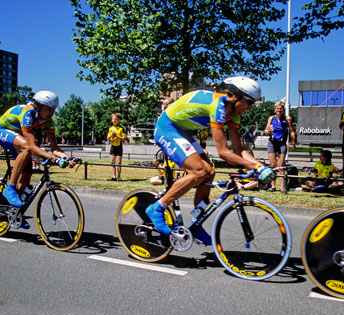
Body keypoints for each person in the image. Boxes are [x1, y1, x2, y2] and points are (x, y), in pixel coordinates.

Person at [145, 76, 275, 245]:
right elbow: (223, 152)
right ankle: (157, 208)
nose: (251, 107)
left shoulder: (233, 113)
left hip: (182, 130)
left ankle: (196, 224)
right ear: (235, 96)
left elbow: (239, 149)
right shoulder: (218, 106)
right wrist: (257, 167)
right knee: (199, 170)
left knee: (209, 172)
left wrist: (260, 166)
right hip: (167, 128)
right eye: (249, 102)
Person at [0, 91, 75, 211]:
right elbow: (31, 146)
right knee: (26, 147)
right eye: (48, 109)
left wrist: (68, 157)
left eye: (54, 109)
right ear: (38, 107)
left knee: (27, 173)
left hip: (18, 136)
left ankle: (14, 212)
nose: (51, 113)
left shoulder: (49, 121)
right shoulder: (27, 114)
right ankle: (10, 188)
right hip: (1, 130)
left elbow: (55, 148)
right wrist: (53, 158)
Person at [264, 101, 295, 192]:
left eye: (281, 108)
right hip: (272, 143)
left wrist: (293, 140)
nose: (279, 110)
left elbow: (292, 131)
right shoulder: (271, 118)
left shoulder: (287, 118)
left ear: (283, 109)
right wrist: (268, 131)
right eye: (277, 108)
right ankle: (273, 186)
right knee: (273, 165)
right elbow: (266, 131)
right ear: (275, 109)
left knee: (281, 165)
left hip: (282, 144)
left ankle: (282, 186)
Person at [107, 113, 125, 181]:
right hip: (113, 146)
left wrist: (117, 136)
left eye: (116, 119)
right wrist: (111, 135)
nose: (114, 120)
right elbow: (108, 138)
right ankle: (113, 177)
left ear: (118, 120)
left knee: (119, 162)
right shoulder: (110, 128)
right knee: (112, 161)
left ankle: (119, 177)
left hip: (119, 146)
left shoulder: (121, 128)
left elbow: (123, 138)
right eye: (113, 119)